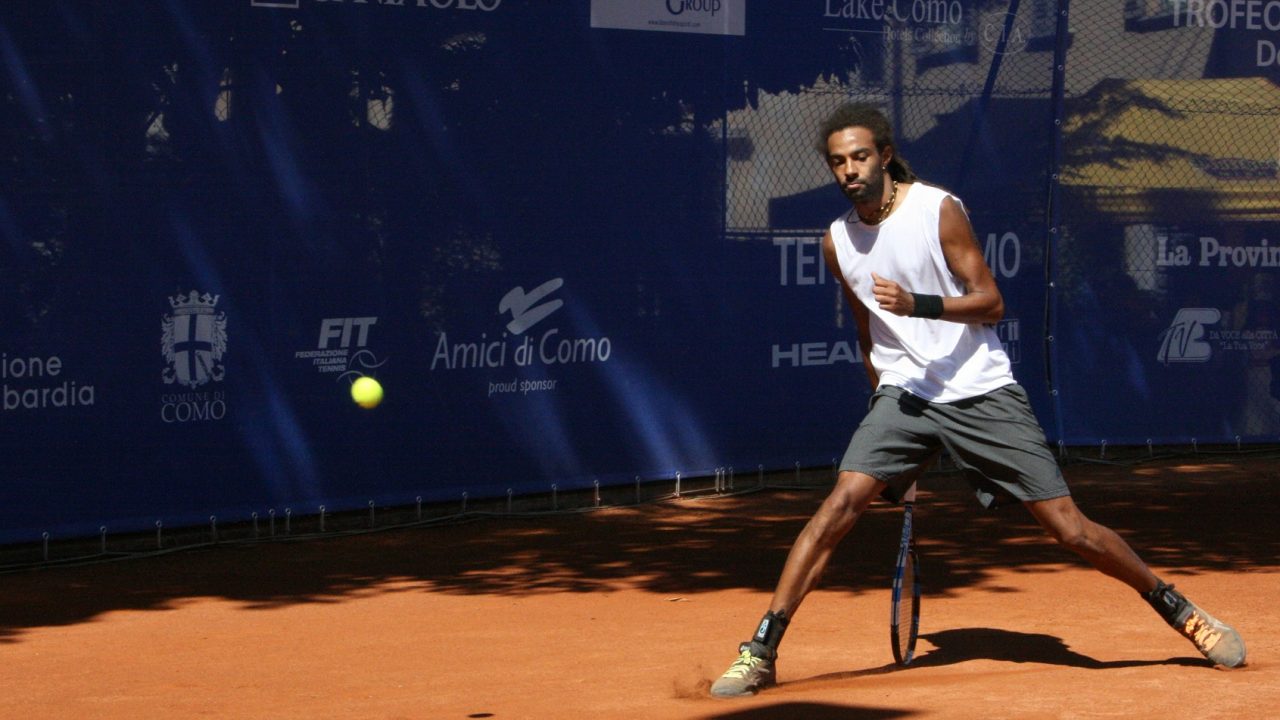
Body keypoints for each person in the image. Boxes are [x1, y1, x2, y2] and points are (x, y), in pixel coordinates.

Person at [709, 102, 1246, 697]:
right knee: (837, 507)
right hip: (904, 398)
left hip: (978, 388)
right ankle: (760, 649)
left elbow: (991, 303)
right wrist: (883, 410)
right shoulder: (838, 241)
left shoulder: (937, 210)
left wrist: (922, 305)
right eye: (838, 162)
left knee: (1069, 529)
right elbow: (867, 329)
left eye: (860, 156)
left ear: (884, 156)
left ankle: (1180, 610)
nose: (849, 170)